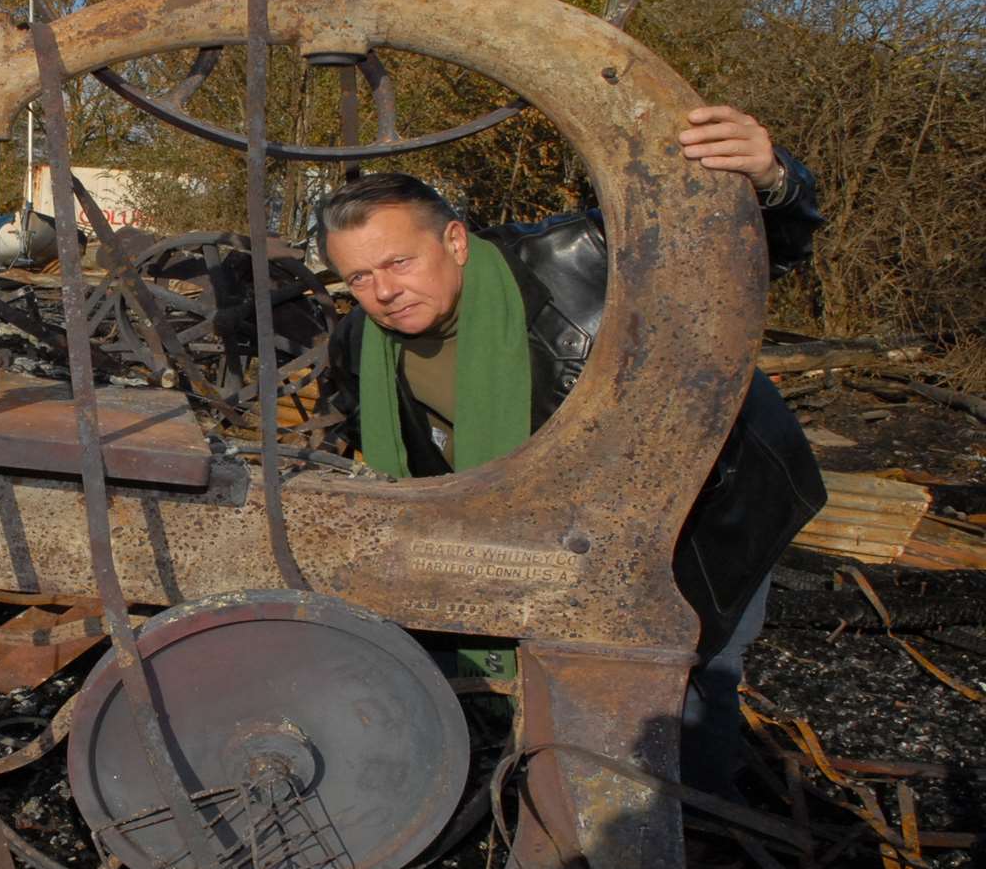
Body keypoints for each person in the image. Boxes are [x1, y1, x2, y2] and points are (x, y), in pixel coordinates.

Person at [318, 105, 826, 794]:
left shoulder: (581, 259)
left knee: (688, 676)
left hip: (705, 504)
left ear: (457, 241)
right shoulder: (362, 346)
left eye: (399, 262)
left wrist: (771, 178)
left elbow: (763, 245)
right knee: (568, 668)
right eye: (358, 278)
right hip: (566, 522)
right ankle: (572, 804)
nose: (382, 292)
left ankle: (696, 829)